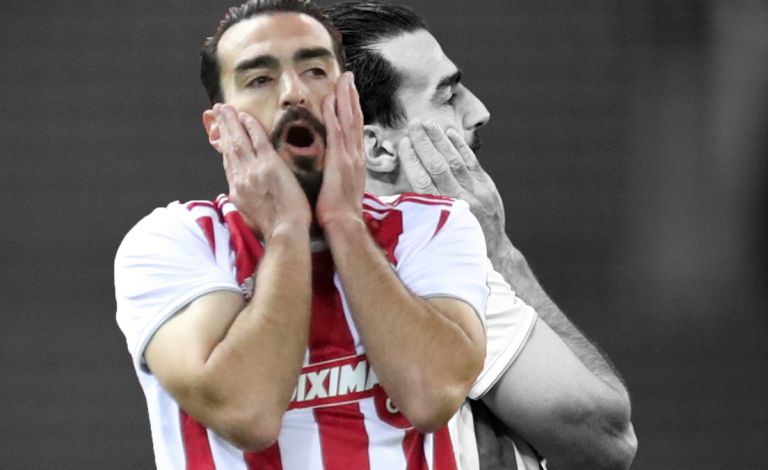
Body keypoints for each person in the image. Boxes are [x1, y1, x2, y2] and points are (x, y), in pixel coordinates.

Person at [115, 0, 499, 468]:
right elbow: (248, 414)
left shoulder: (431, 225)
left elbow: (431, 396)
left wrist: (344, 221)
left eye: (315, 71)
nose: (293, 94)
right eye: (260, 79)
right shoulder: (174, 242)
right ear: (218, 129)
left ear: (349, 98)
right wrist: (287, 229)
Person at [322, 2, 638, 469]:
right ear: (376, 147)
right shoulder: (425, 264)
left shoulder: (251, 274)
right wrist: (498, 251)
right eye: (447, 96)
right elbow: (606, 439)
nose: (479, 111)